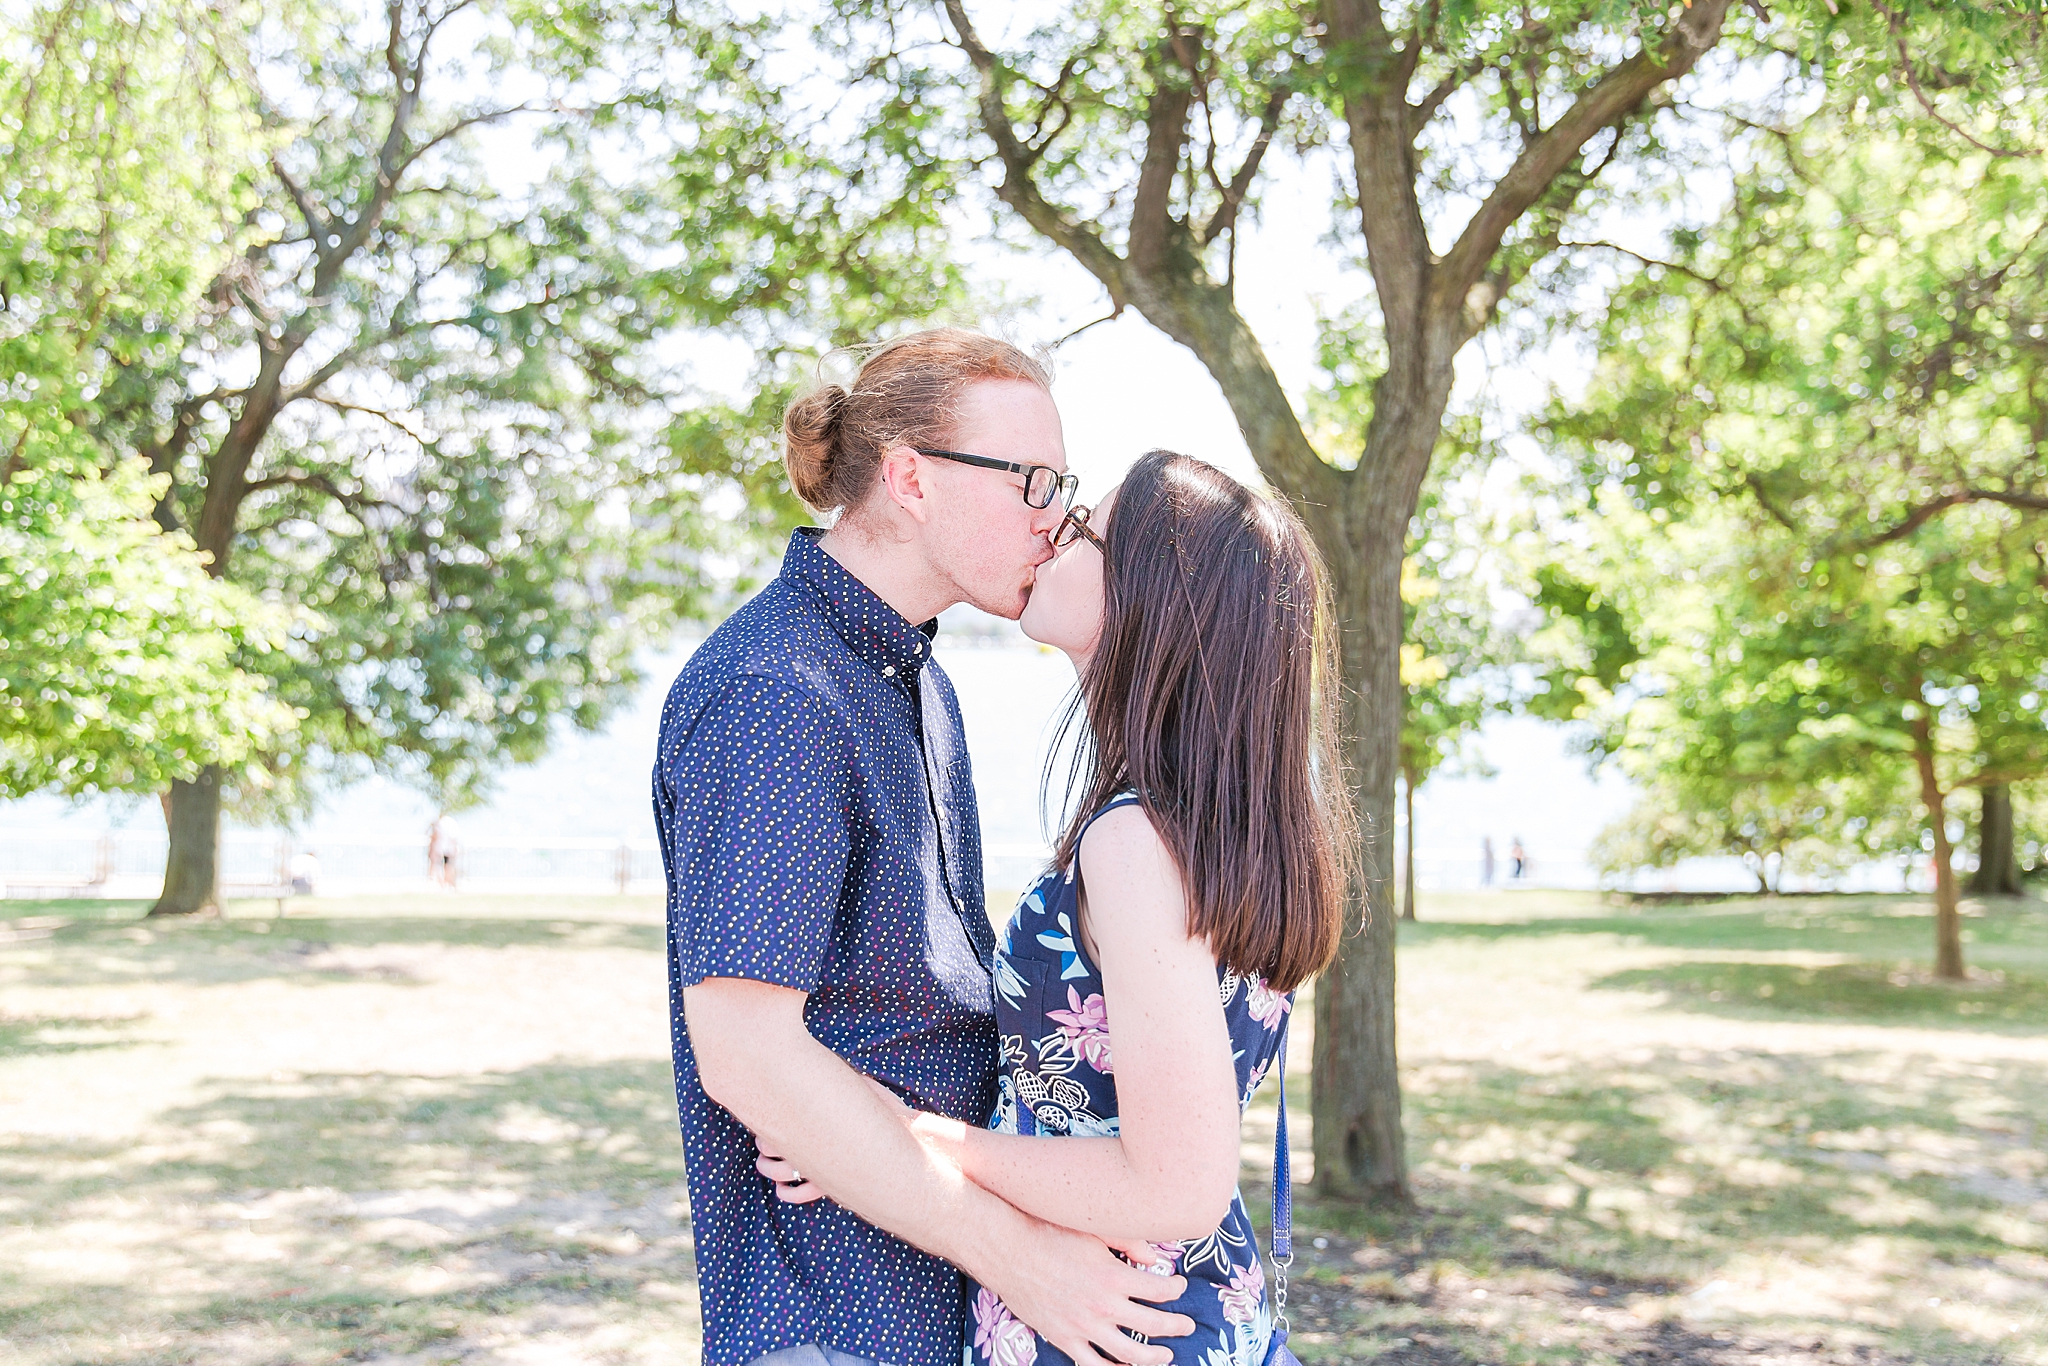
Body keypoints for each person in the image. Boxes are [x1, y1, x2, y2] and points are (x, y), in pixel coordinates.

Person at [653, 330, 1195, 1366]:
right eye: (1032, 480)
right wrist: (1025, 1259)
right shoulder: (777, 692)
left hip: (940, 1302)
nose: (1057, 516)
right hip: (835, 1314)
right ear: (908, 478)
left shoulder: (913, 679)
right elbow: (745, 1053)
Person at [759, 450, 1356, 1366]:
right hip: (1180, 1309)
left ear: (1154, 603)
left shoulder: (1137, 845)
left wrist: (903, 1137)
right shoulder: (1220, 828)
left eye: (1083, 531)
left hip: (1115, 1320)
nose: (1049, 529)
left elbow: (1177, 1182)